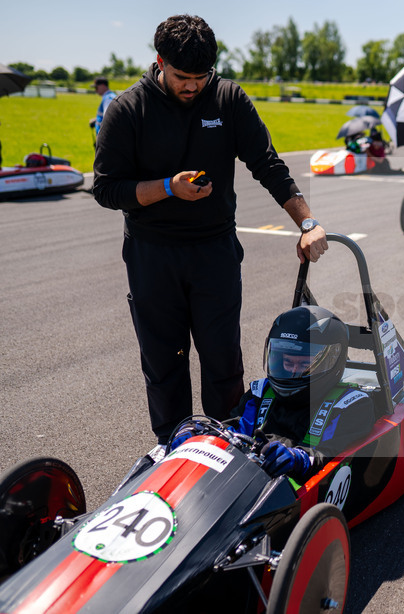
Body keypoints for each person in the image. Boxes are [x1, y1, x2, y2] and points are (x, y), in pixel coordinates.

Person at [93, 14, 328, 448]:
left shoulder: (228, 99)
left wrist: (308, 223)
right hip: (152, 254)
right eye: (182, 77)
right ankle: (173, 449)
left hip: (214, 251)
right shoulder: (128, 110)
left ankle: (232, 451)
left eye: (201, 78)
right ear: (159, 62)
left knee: (223, 363)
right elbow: (106, 189)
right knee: (164, 365)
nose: (192, 87)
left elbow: (268, 164)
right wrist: (168, 188)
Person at [171, 305, 376, 483]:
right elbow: (235, 427)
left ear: (331, 362)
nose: (294, 372)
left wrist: (296, 459)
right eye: (288, 362)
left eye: (305, 365)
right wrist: (202, 435)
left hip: (293, 488)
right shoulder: (261, 394)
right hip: (245, 477)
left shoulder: (352, 405)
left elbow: (331, 452)